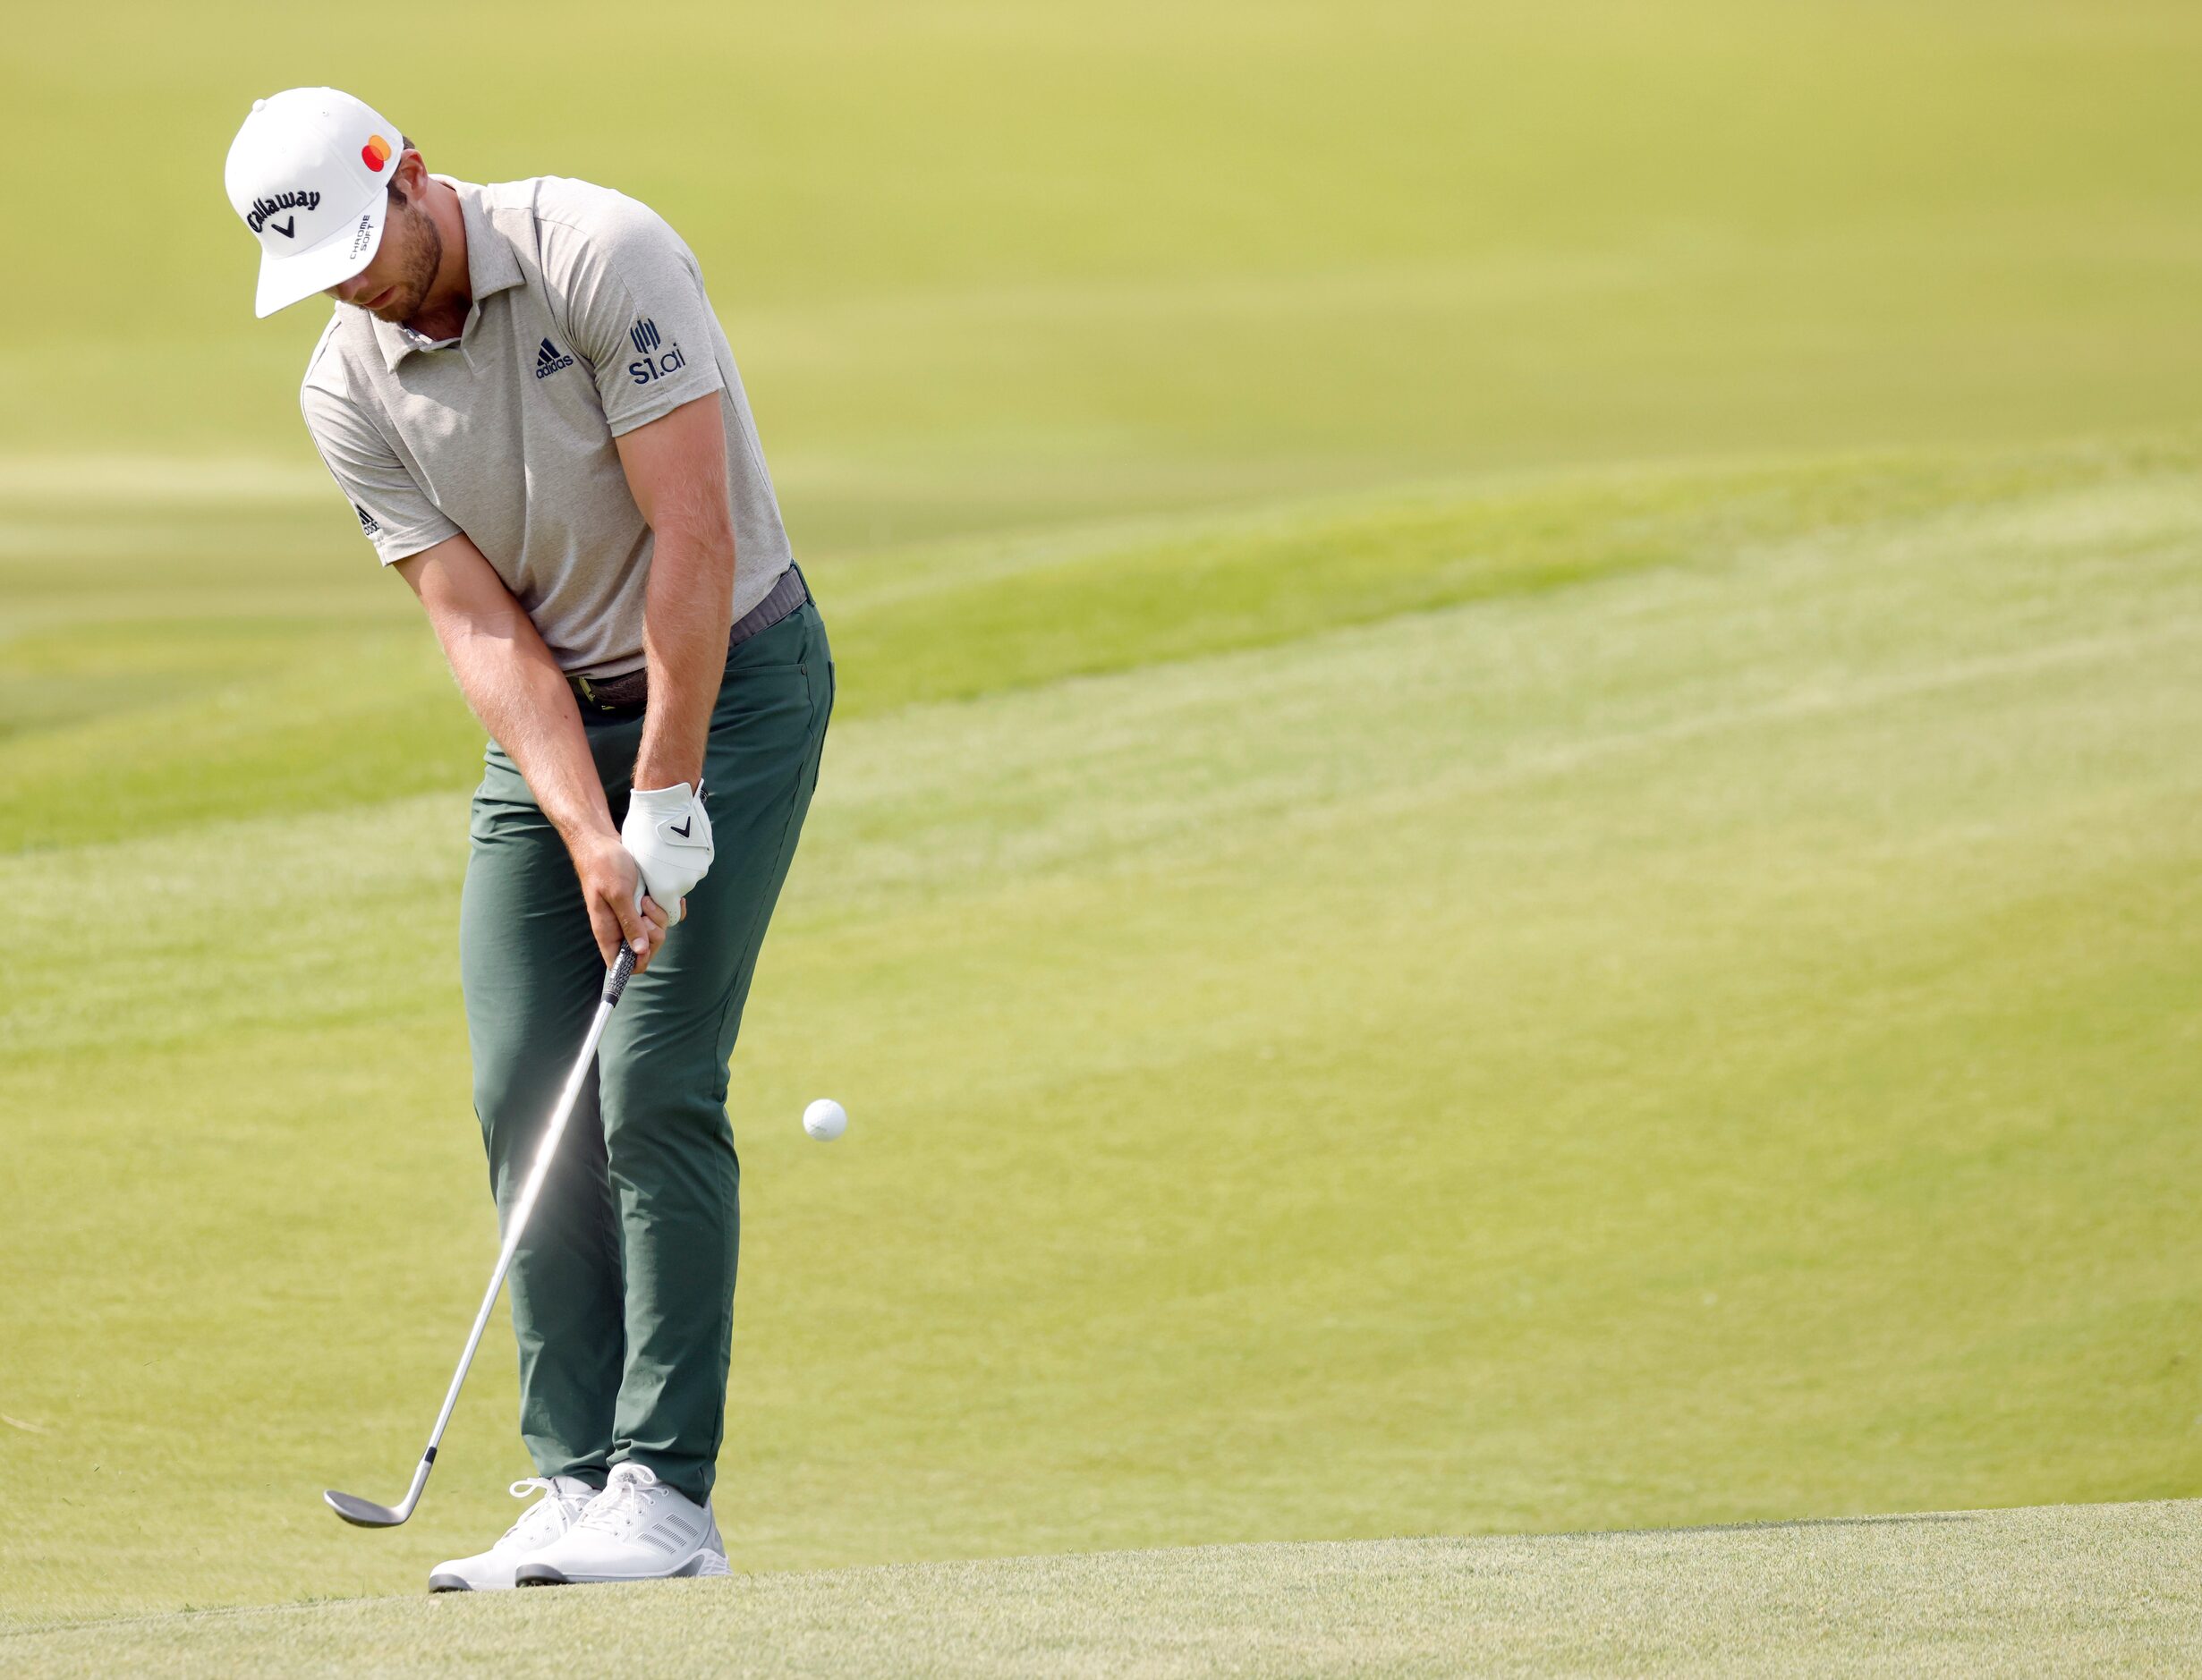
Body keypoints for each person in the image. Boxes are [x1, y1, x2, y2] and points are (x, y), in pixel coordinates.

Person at [222, 88, 832, 1591]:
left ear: (414, 174)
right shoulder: (344, 387)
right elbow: (477, 624)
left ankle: (665, 1497)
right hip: (557, 714)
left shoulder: (597, 251)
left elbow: (690, 536)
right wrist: (584, 824)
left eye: (370, 247)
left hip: (732, 680)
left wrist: (668, 799)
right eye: (327, 276)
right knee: (519, 1076)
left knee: (651, 1073)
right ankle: (569, 1478)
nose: (363, 289)